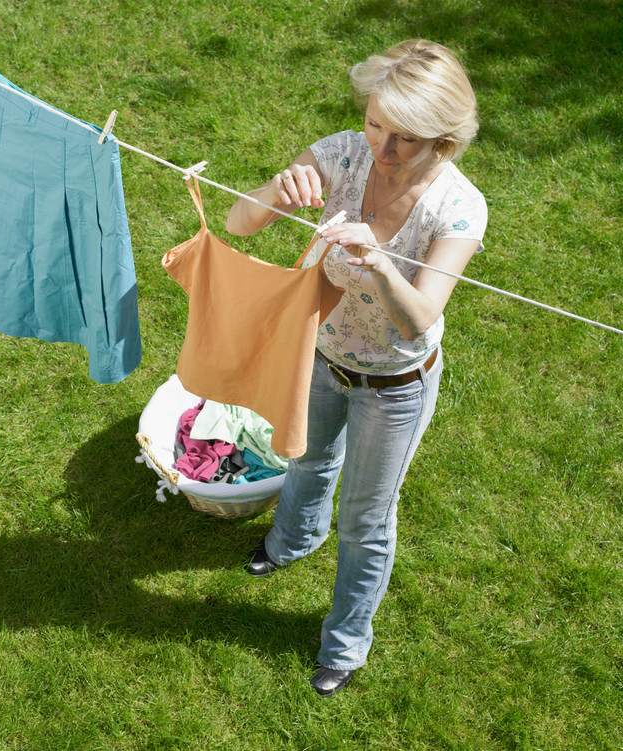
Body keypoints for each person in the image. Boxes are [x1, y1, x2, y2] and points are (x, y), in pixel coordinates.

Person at [225, 39, 487, 697]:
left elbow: (420, 320)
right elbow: (239, 220)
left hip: (396, 384)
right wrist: (277, 193)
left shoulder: (458, 208)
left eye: (406, 138)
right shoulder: (342, 150)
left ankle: (344, 645)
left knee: (368, 519)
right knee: (308, 459)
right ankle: (290, 540)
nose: (384, 148)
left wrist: (380, 262)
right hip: (322, 351)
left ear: (445, 141)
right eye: (376, 124)